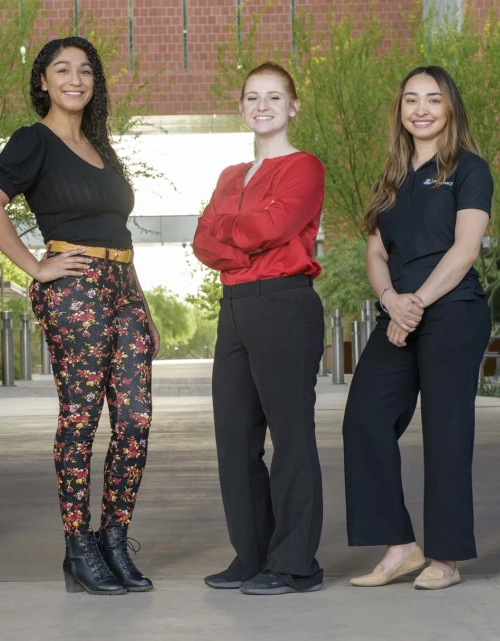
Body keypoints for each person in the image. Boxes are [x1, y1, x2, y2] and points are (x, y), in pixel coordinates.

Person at [0, 37, 159, 596]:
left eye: (85, 70)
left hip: (123, 287)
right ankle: (78, 546)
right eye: (62, 69)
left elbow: (117, 234)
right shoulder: (34, 141)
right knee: (81, 416)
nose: (75, 78)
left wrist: (141, 304)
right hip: (75, 290)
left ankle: (114, 540)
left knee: (136, 421)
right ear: (43, 82)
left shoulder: (101, 148)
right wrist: (36, 265)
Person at [340, 66, 492, 591]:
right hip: (399, 308)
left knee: (446, 431)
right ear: (400, 110)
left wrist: (416, 304)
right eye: (411, 100)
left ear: (450, 108)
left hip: (452, 309)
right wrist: (390, 301)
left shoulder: (469, 169)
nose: (421, 109)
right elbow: (376, 253)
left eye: (433, 99)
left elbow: (465, 248)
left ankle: (446, 558)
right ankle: (402, 547)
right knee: (364, 419)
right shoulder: (390, 178)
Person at [192, 62, 326, 596]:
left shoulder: (303, 167)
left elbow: (272, 227)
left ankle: (295, 564)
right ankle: (252, 554)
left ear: (293, 106)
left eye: (274, 97)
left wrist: (229, 230)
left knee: (291, 435)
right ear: (242, 107)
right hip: (235, 307)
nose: (262, 105)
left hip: (284, 303)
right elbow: (204, 243)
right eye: (253, 97)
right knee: (234, 437)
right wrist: (237, 234)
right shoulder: (230, 176)